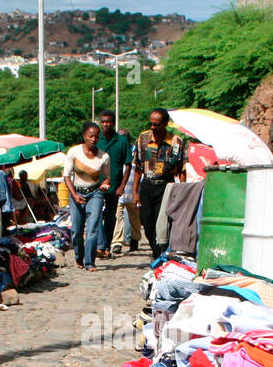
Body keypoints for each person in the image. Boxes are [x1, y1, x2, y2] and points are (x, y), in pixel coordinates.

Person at [131, 107, 186, 259]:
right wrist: (135, 192)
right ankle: (156, 250)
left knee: (160, 222)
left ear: (165, 124)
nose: (153, 127)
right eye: (151, 124)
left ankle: (158, 255)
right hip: (147, 185)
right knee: (147, 223)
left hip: (166, 186)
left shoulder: (176, 142)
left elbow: (182, 169)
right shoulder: (143, 139)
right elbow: (138, 167)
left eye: (157, 124)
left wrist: (181, 192)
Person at [63, 122, 111, 271]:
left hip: (95, 194)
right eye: (90, 136)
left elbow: (107, 177)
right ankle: (79, 257)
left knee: (92, 229)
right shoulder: (74, 152)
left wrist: (105, 184)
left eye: (96, 136)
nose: (93, 139)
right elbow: (66, 176)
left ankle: (90, 262)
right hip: (76, 193)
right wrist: (74, 194)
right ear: (84, 136)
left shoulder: (104, 157)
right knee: (76, 230)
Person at [95, 110, 132, 259]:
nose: (105, 124)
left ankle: (106, 247)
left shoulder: (122, 141)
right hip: (96, 185)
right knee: (95, 215)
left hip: (115, 186)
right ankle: (99, 245)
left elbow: (128, 165)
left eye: (108, 121)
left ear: (113, 123)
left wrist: (122, 186)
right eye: (102, 121)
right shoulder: (96, 139)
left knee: (110, 217)